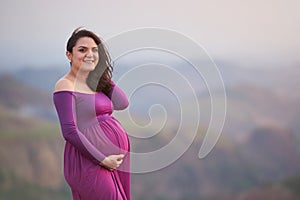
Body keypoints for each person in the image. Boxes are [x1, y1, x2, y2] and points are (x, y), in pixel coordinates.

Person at [53, 27, 130, 200]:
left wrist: (99, 74)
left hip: (113, 160)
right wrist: (102, 159)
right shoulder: (65, 85)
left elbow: (122, 102)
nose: (90, 54)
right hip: (88, 161)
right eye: (82, 50)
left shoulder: (94, 83)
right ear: (69, 55)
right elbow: (69, 131)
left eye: (94, 50)